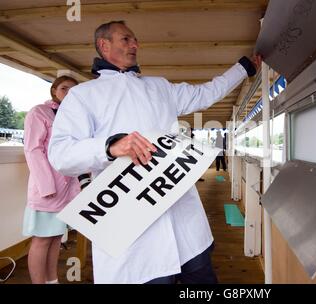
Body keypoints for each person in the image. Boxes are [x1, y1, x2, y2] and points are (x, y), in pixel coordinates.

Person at [48, 20, 261, 284]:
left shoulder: (160, 87)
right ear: (104, 45)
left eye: (135, 40)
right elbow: (60, 154)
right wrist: (109, 146)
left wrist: (245, 68)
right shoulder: (82, 96)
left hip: (186, 226)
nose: (135, 44)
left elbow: (207, 93)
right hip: (132, 237)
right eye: (126, 39)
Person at [22, 75, 80, 284]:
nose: (68, 93)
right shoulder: (39, 112)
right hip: (47, 188)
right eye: (64, 88)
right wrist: (47, 185)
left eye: (74, 90)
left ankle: (52, 281)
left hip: (67, 189)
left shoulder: (74, 118)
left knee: (56, 238)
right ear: (54, 90)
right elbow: (33, 150)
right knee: (42, 240)